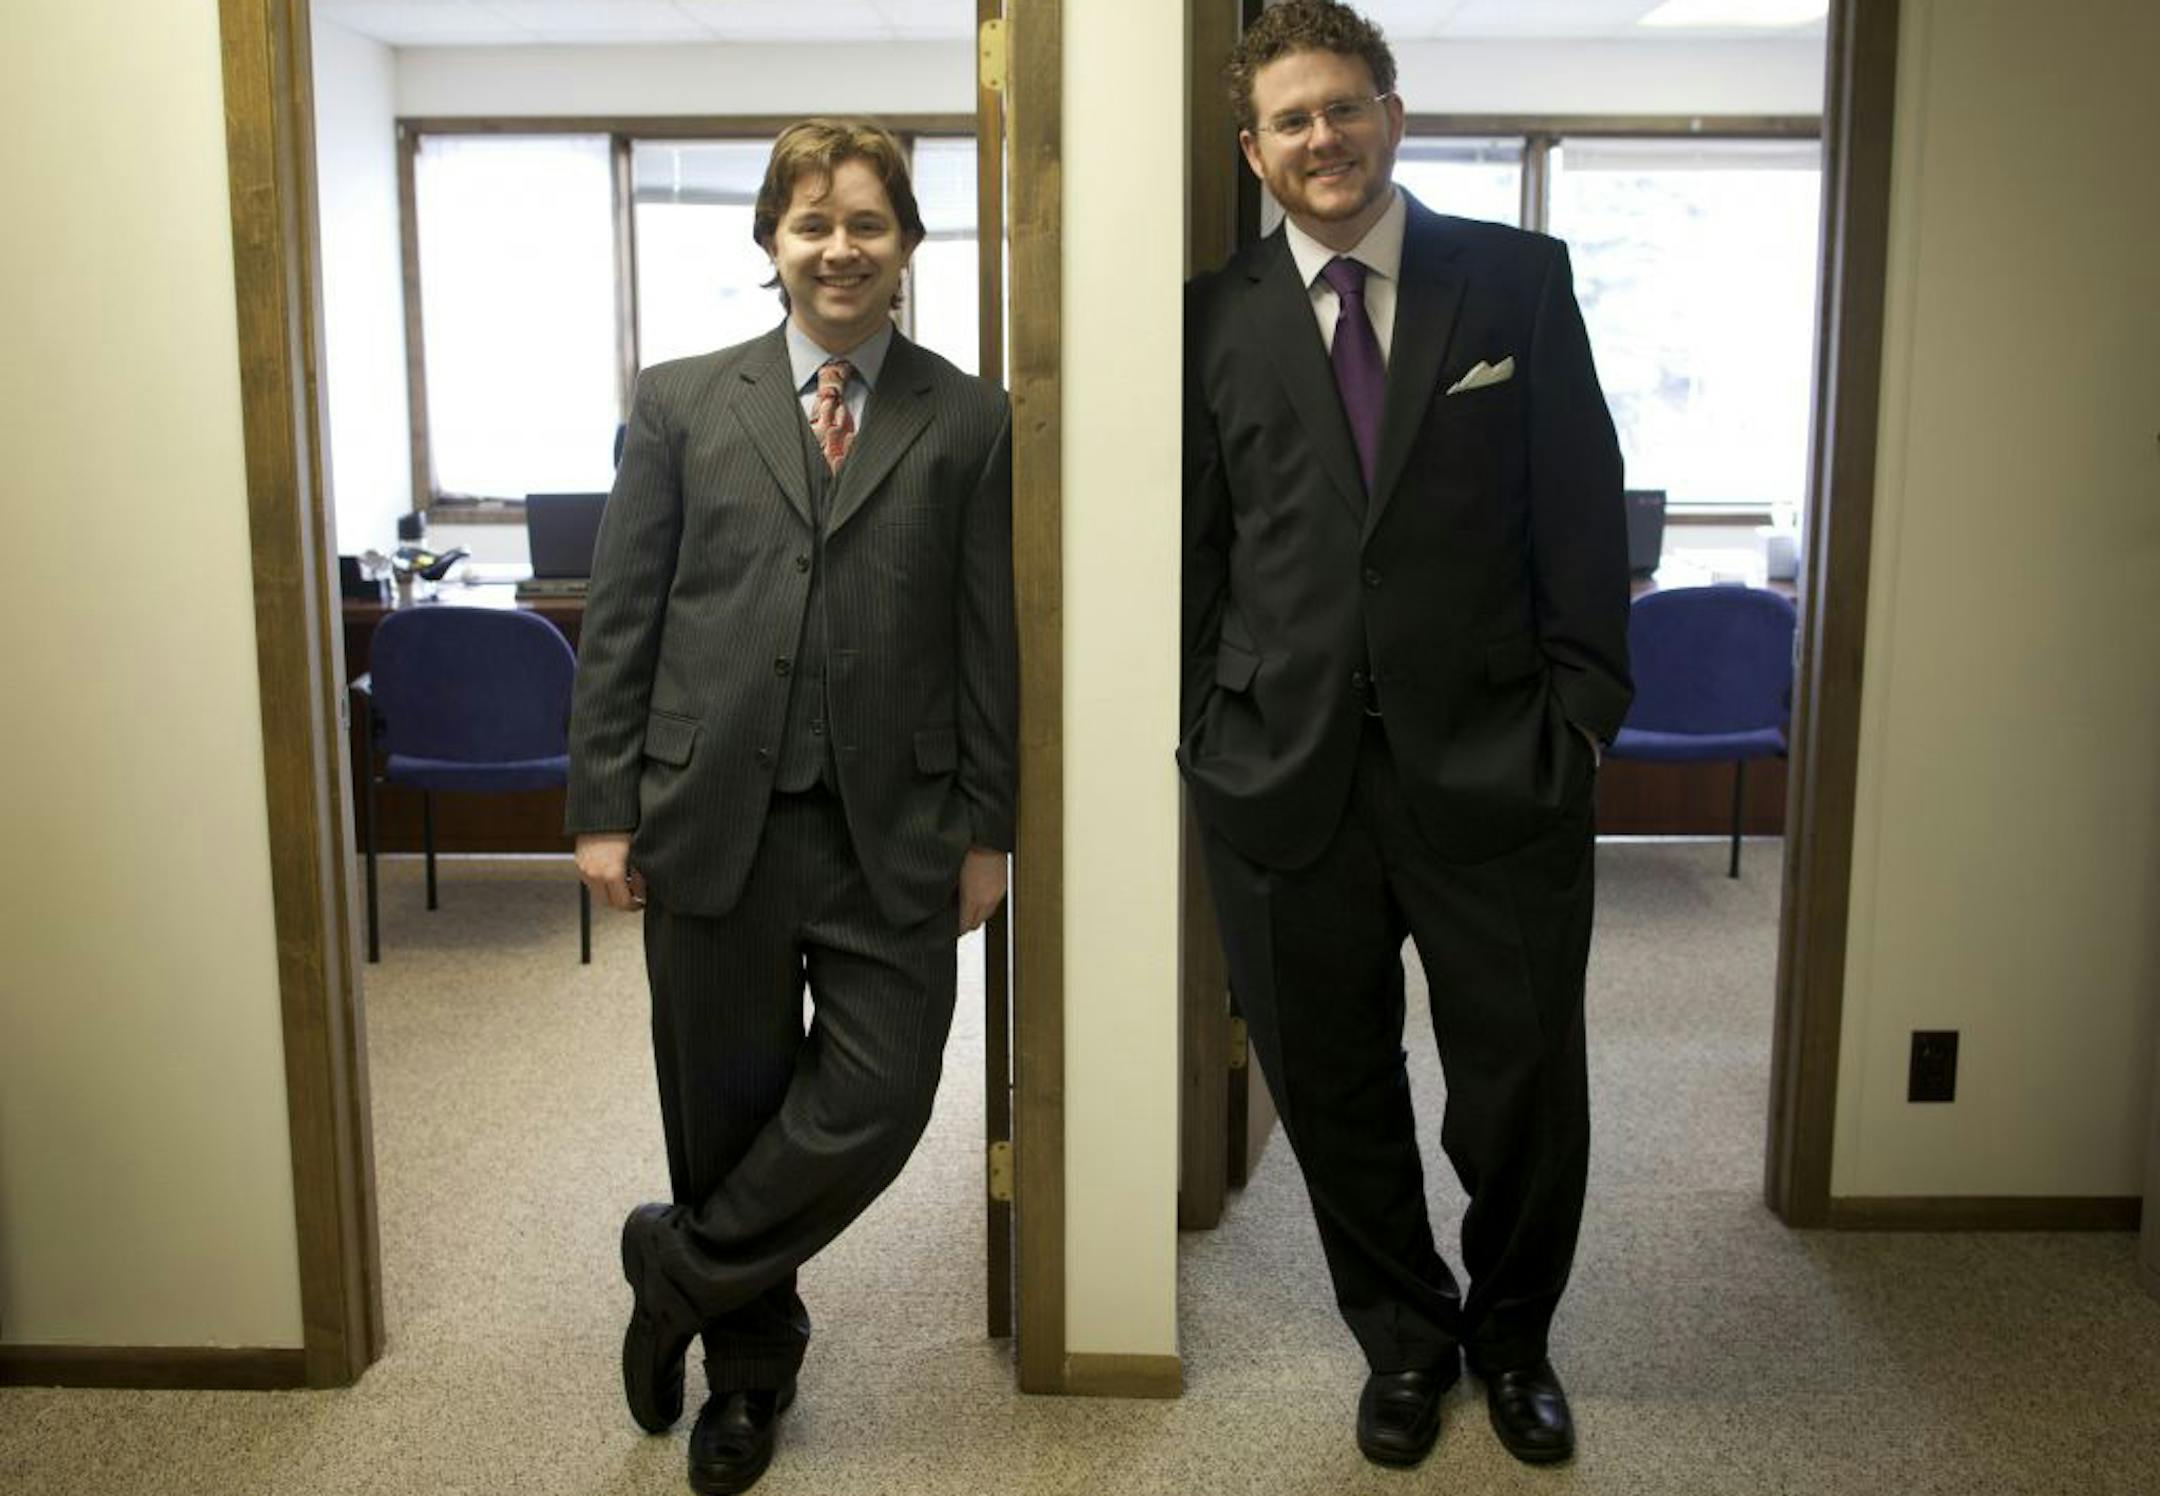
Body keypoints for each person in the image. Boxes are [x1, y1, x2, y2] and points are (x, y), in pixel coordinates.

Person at [1182, 1, 1630, 1470]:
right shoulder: (1208, 318)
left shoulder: (1514, 282)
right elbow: (1194, 551)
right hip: (1280, 773)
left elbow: (1582, 510)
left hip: (1500, 762)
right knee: (1332, 1088)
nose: (1323, 137)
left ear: (1392, 114)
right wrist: (1204, 728)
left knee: (1523, 1088)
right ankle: (1405, 1341)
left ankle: (1515, 1340)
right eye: (1292, 119)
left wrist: (1581, 719)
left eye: (1344, 106)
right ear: (1253, 150)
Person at [566, 118, 1016, 1496]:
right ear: (772, 241)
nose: (840, 248)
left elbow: (989, 638)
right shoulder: (681, 401)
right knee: (726, 1112)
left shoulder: (970, 416)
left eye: (868, 222)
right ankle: (748, 1378)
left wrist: (990, 826)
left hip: (898, 827)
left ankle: (679, 1270)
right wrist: (601, 807)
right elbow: (625, 616)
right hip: (711, 817)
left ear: (908, 244)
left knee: (880, 1098)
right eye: (813, 223)